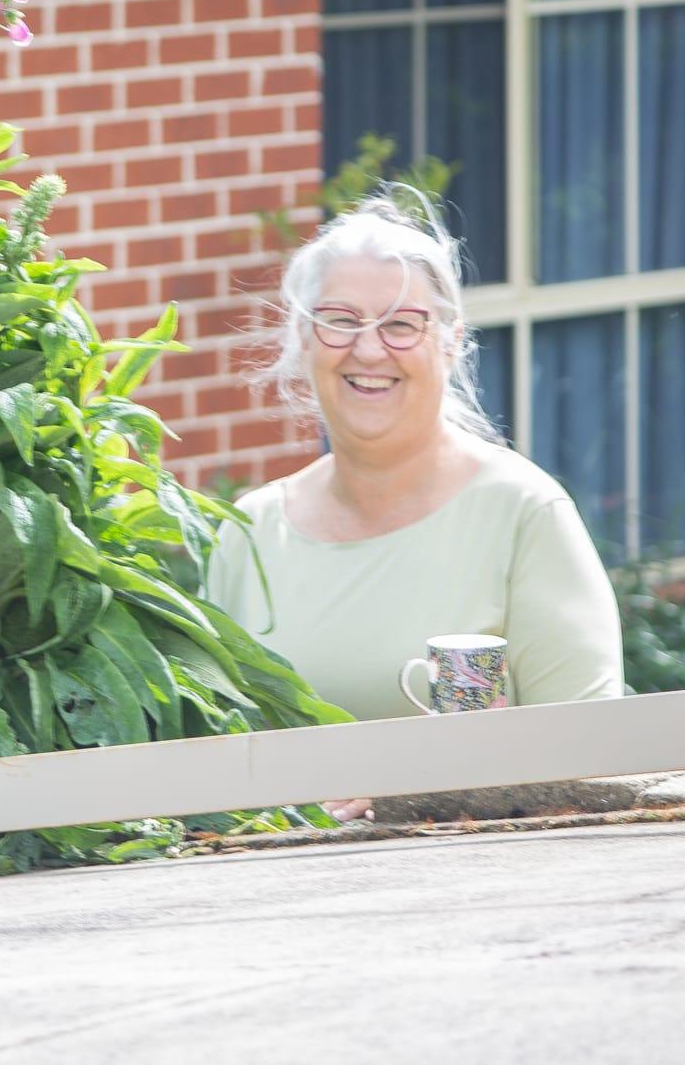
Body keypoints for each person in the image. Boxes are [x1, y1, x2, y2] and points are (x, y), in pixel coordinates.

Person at [206, 194, 623, 819]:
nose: (369, 350)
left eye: (401, 325)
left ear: (451, 343)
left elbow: (594, 759)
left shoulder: (523, 515)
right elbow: (211, 760)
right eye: (340, 320)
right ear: (304, 337)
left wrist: (414, 793)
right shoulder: (249, 534)